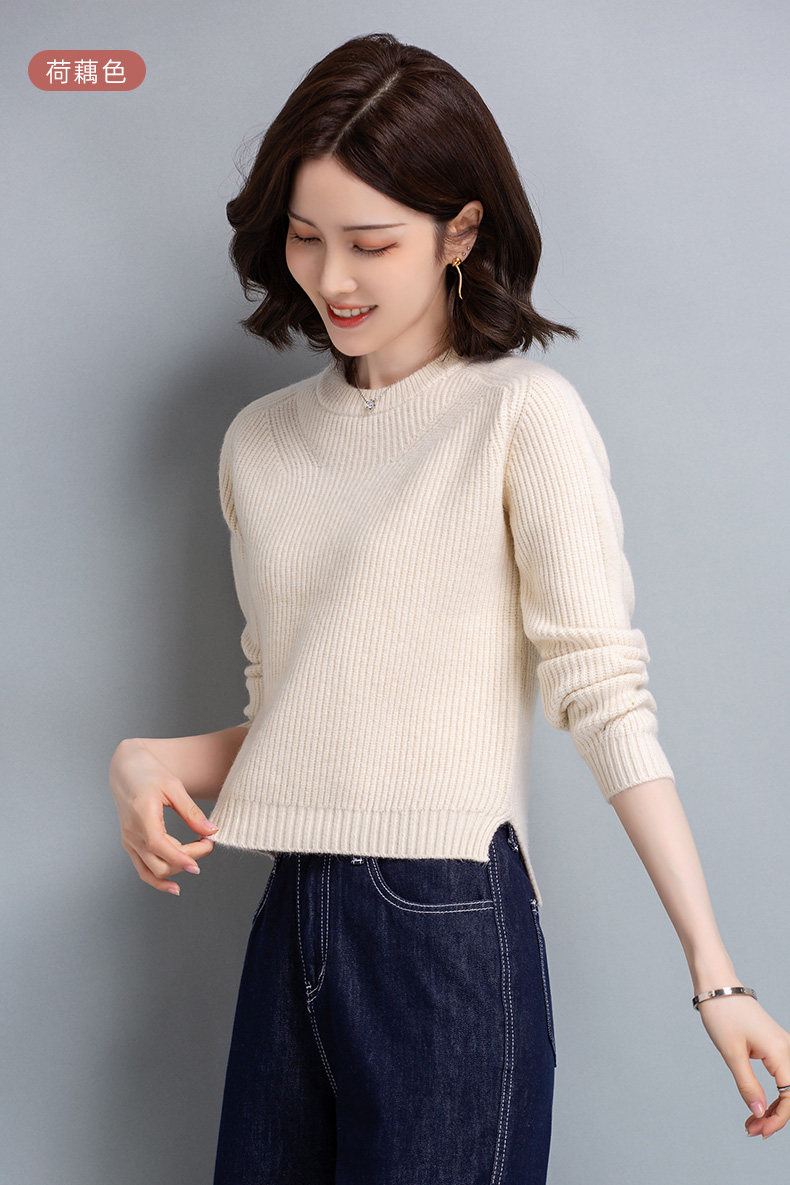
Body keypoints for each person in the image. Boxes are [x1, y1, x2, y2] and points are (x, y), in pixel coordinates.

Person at [109, 31, 790, 1184]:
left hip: (448, 923)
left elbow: (602, 695)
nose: (333, 279)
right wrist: (146, 758)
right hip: (292, 913)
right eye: (306, 237)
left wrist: (714, 975)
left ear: (459, 233)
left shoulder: (520, 416)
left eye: (371, 243)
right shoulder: (259, 447)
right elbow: (303, 713)